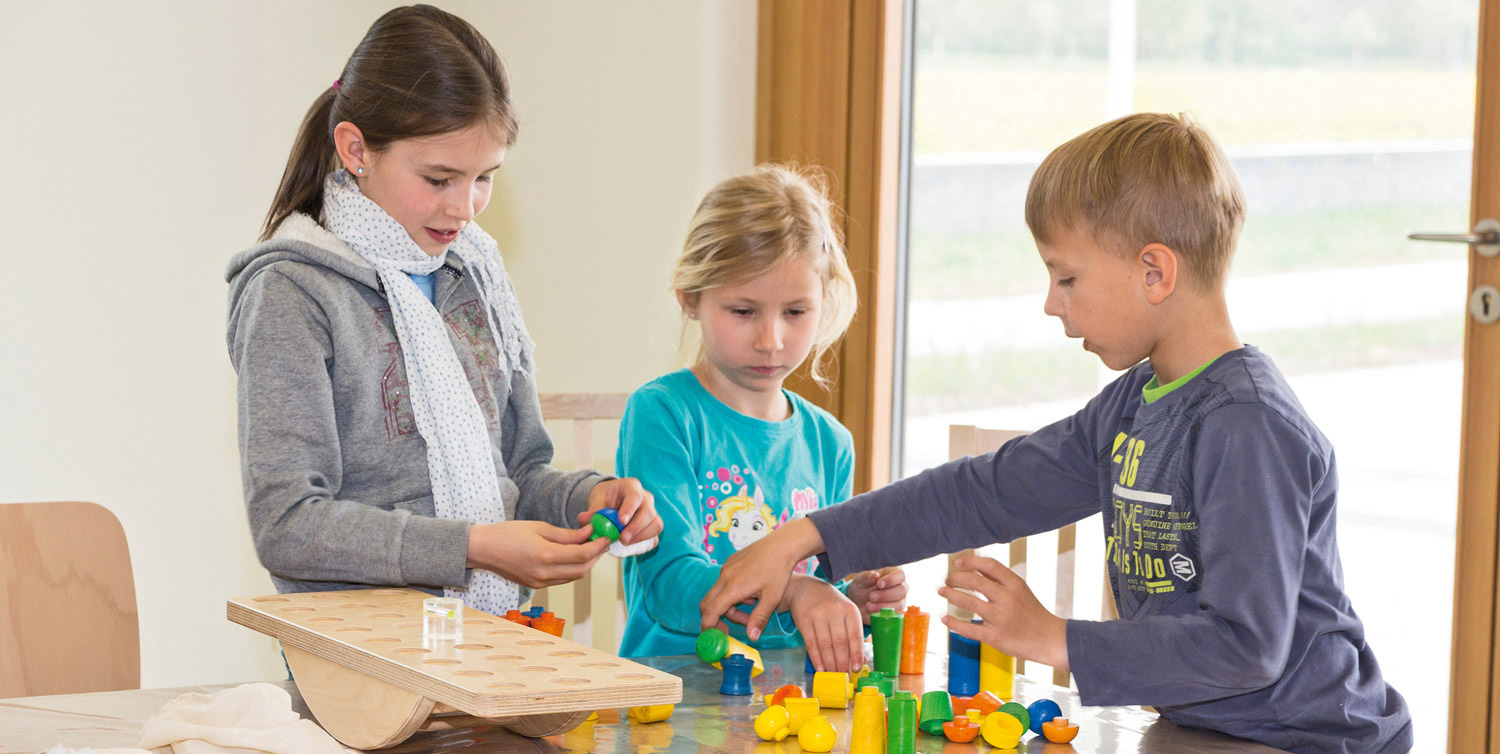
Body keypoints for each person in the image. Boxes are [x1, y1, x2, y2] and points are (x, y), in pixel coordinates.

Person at [700, 115, 1412, 754]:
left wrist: (1051, 637)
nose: (1050, 303)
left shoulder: (1247, 424)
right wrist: (806, 537)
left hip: (1313, 738)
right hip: (1204, 727)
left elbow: (1247, 647)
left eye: (1066, 277)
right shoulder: (1135, 403)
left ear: (1154, 271)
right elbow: (985, 491)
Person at [225, 4, 659, 617]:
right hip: (359, 664)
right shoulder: (292, 293)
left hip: (487, 639)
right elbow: (288, 525)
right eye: (439, 179)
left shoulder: (475, 277)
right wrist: (473, 548)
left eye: (485, 177)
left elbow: (520, 474)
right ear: (356, 149)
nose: (466, 209)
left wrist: (588, 499)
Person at [616, 165, 905, 671]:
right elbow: (670, 586)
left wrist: (851, 602)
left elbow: (819, 581)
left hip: (794, 703)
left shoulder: (829, 441)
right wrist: (796, 593)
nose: (771, 339)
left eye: (795, 312)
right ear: (690, 298)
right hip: (675, 699)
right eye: (743, 311)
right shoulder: (663, 413)